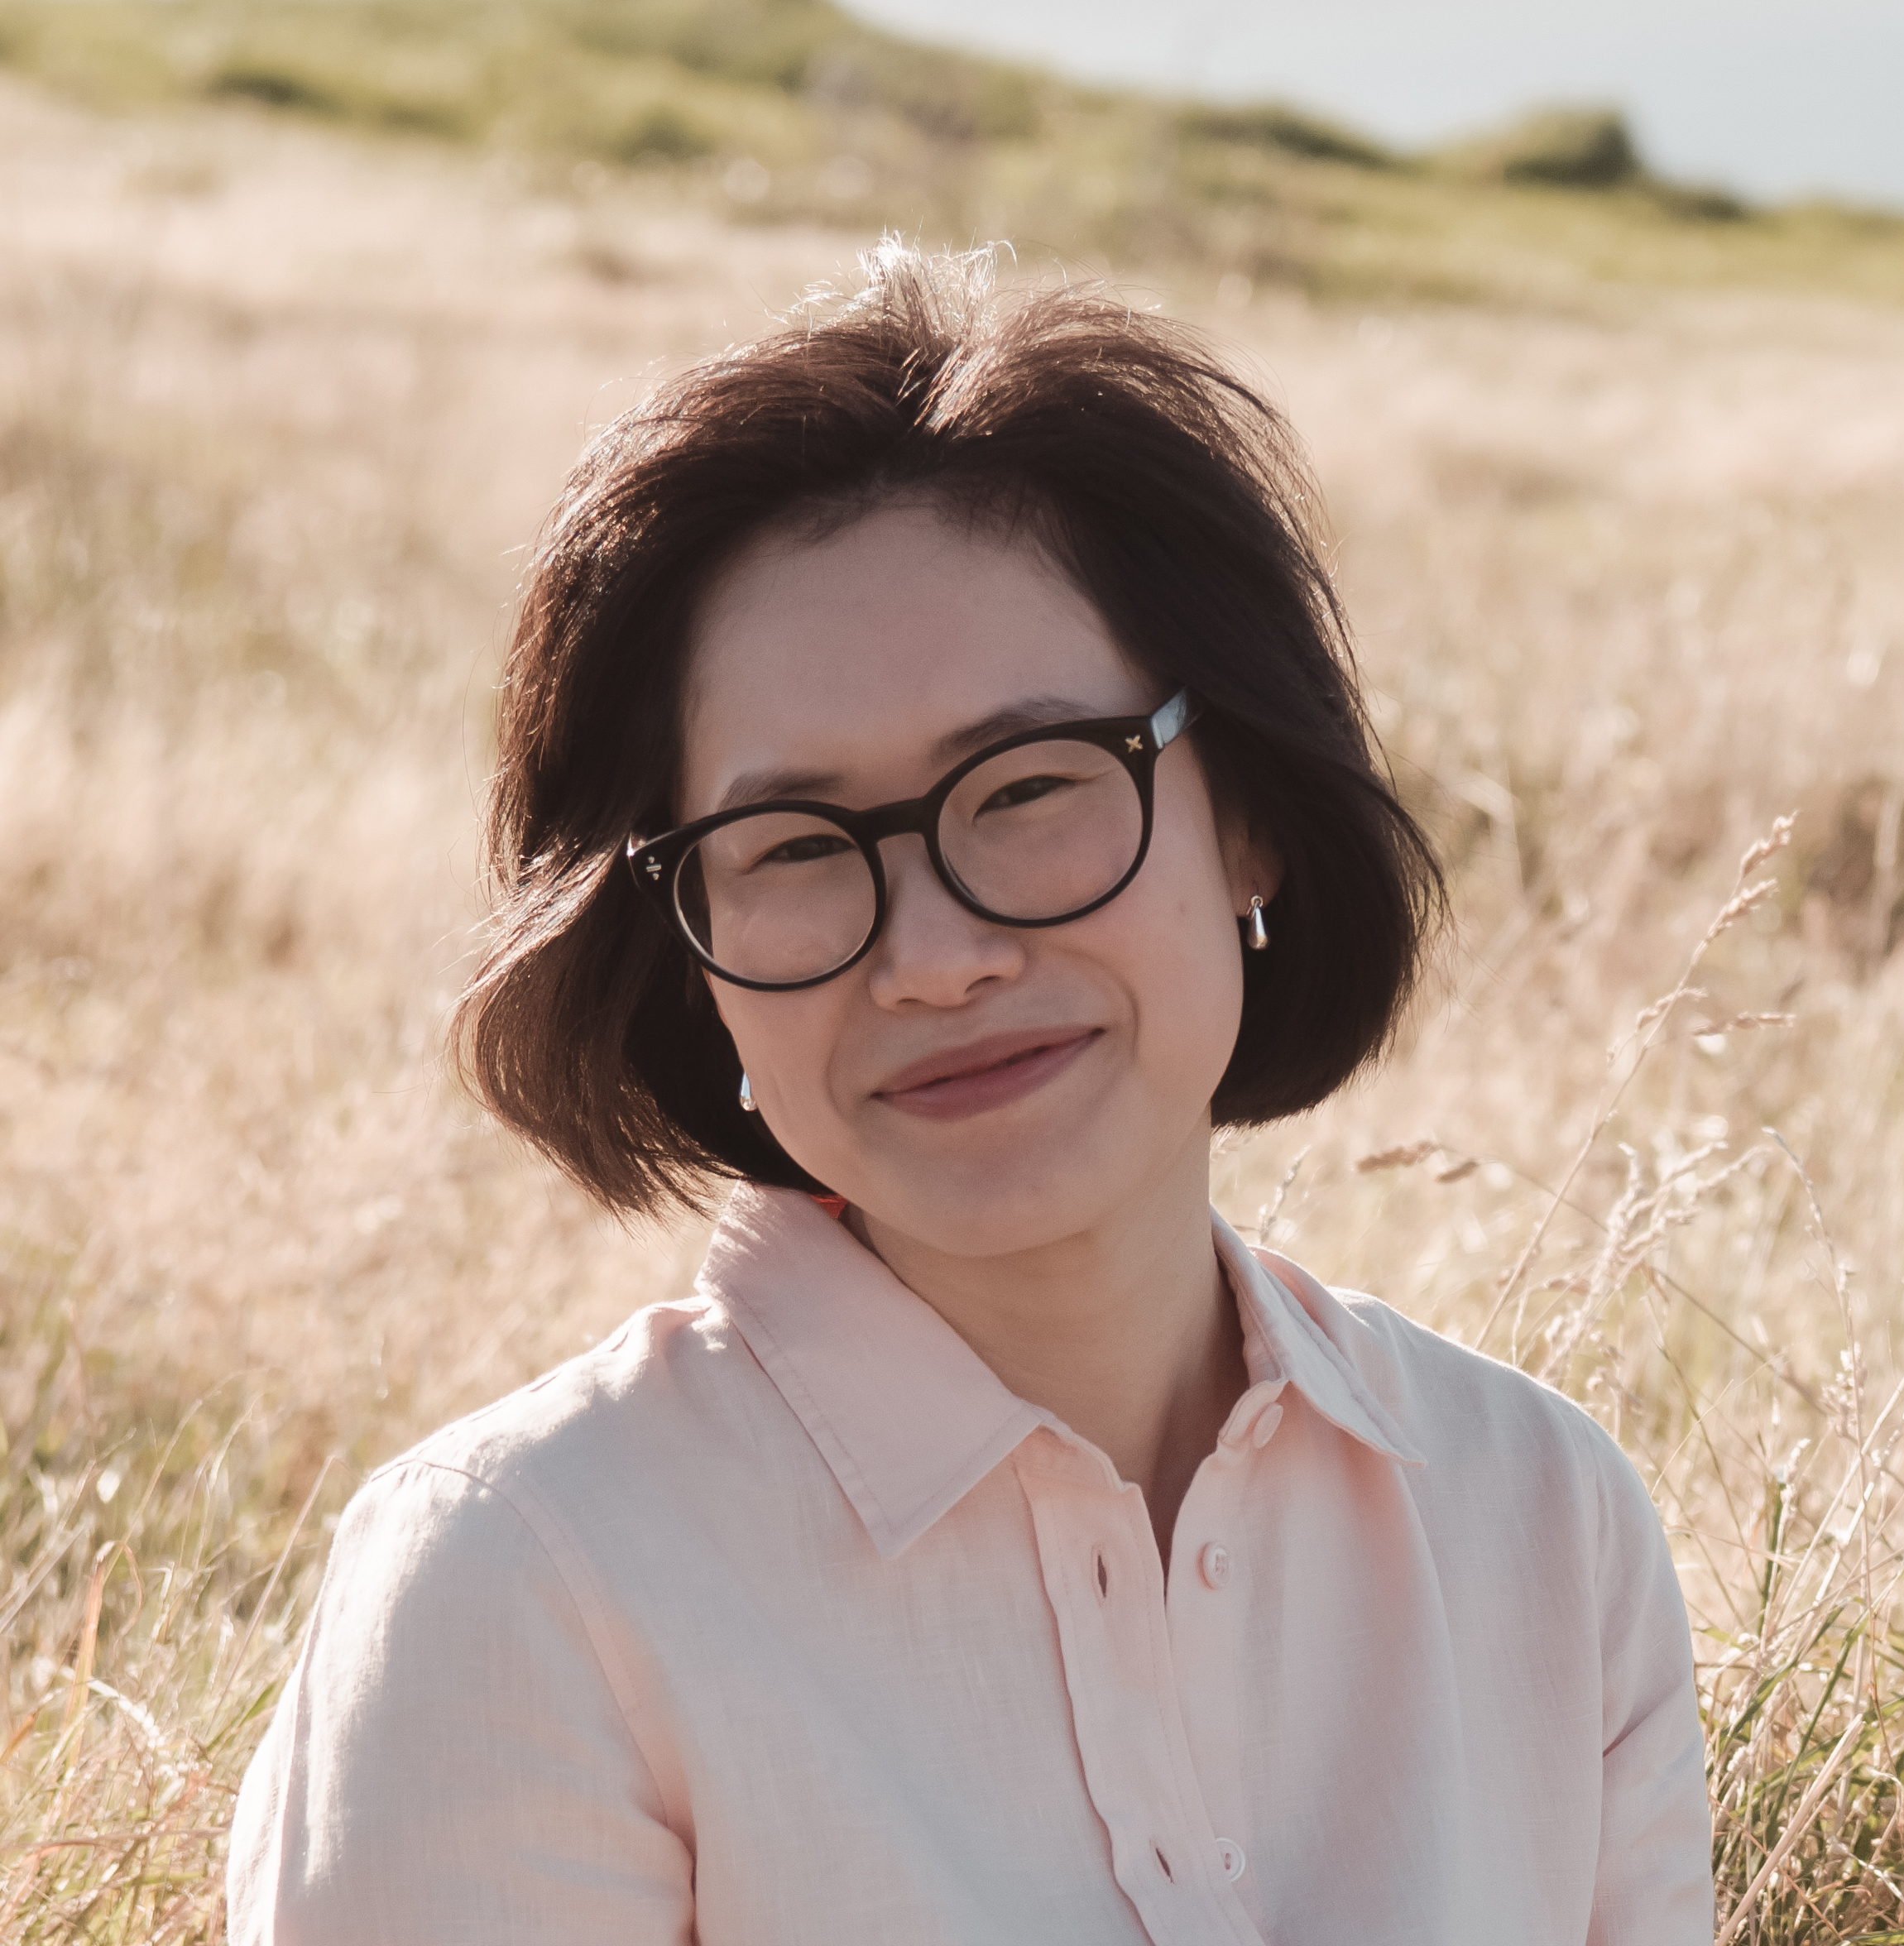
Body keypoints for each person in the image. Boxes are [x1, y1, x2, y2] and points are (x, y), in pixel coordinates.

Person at [226, 243, 1712, 1944]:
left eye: (1028, 791)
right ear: (689, 942)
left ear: (1250, 818)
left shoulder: (1542, 1518)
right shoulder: (523, 1586)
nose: (932, 956)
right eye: (790, 846)